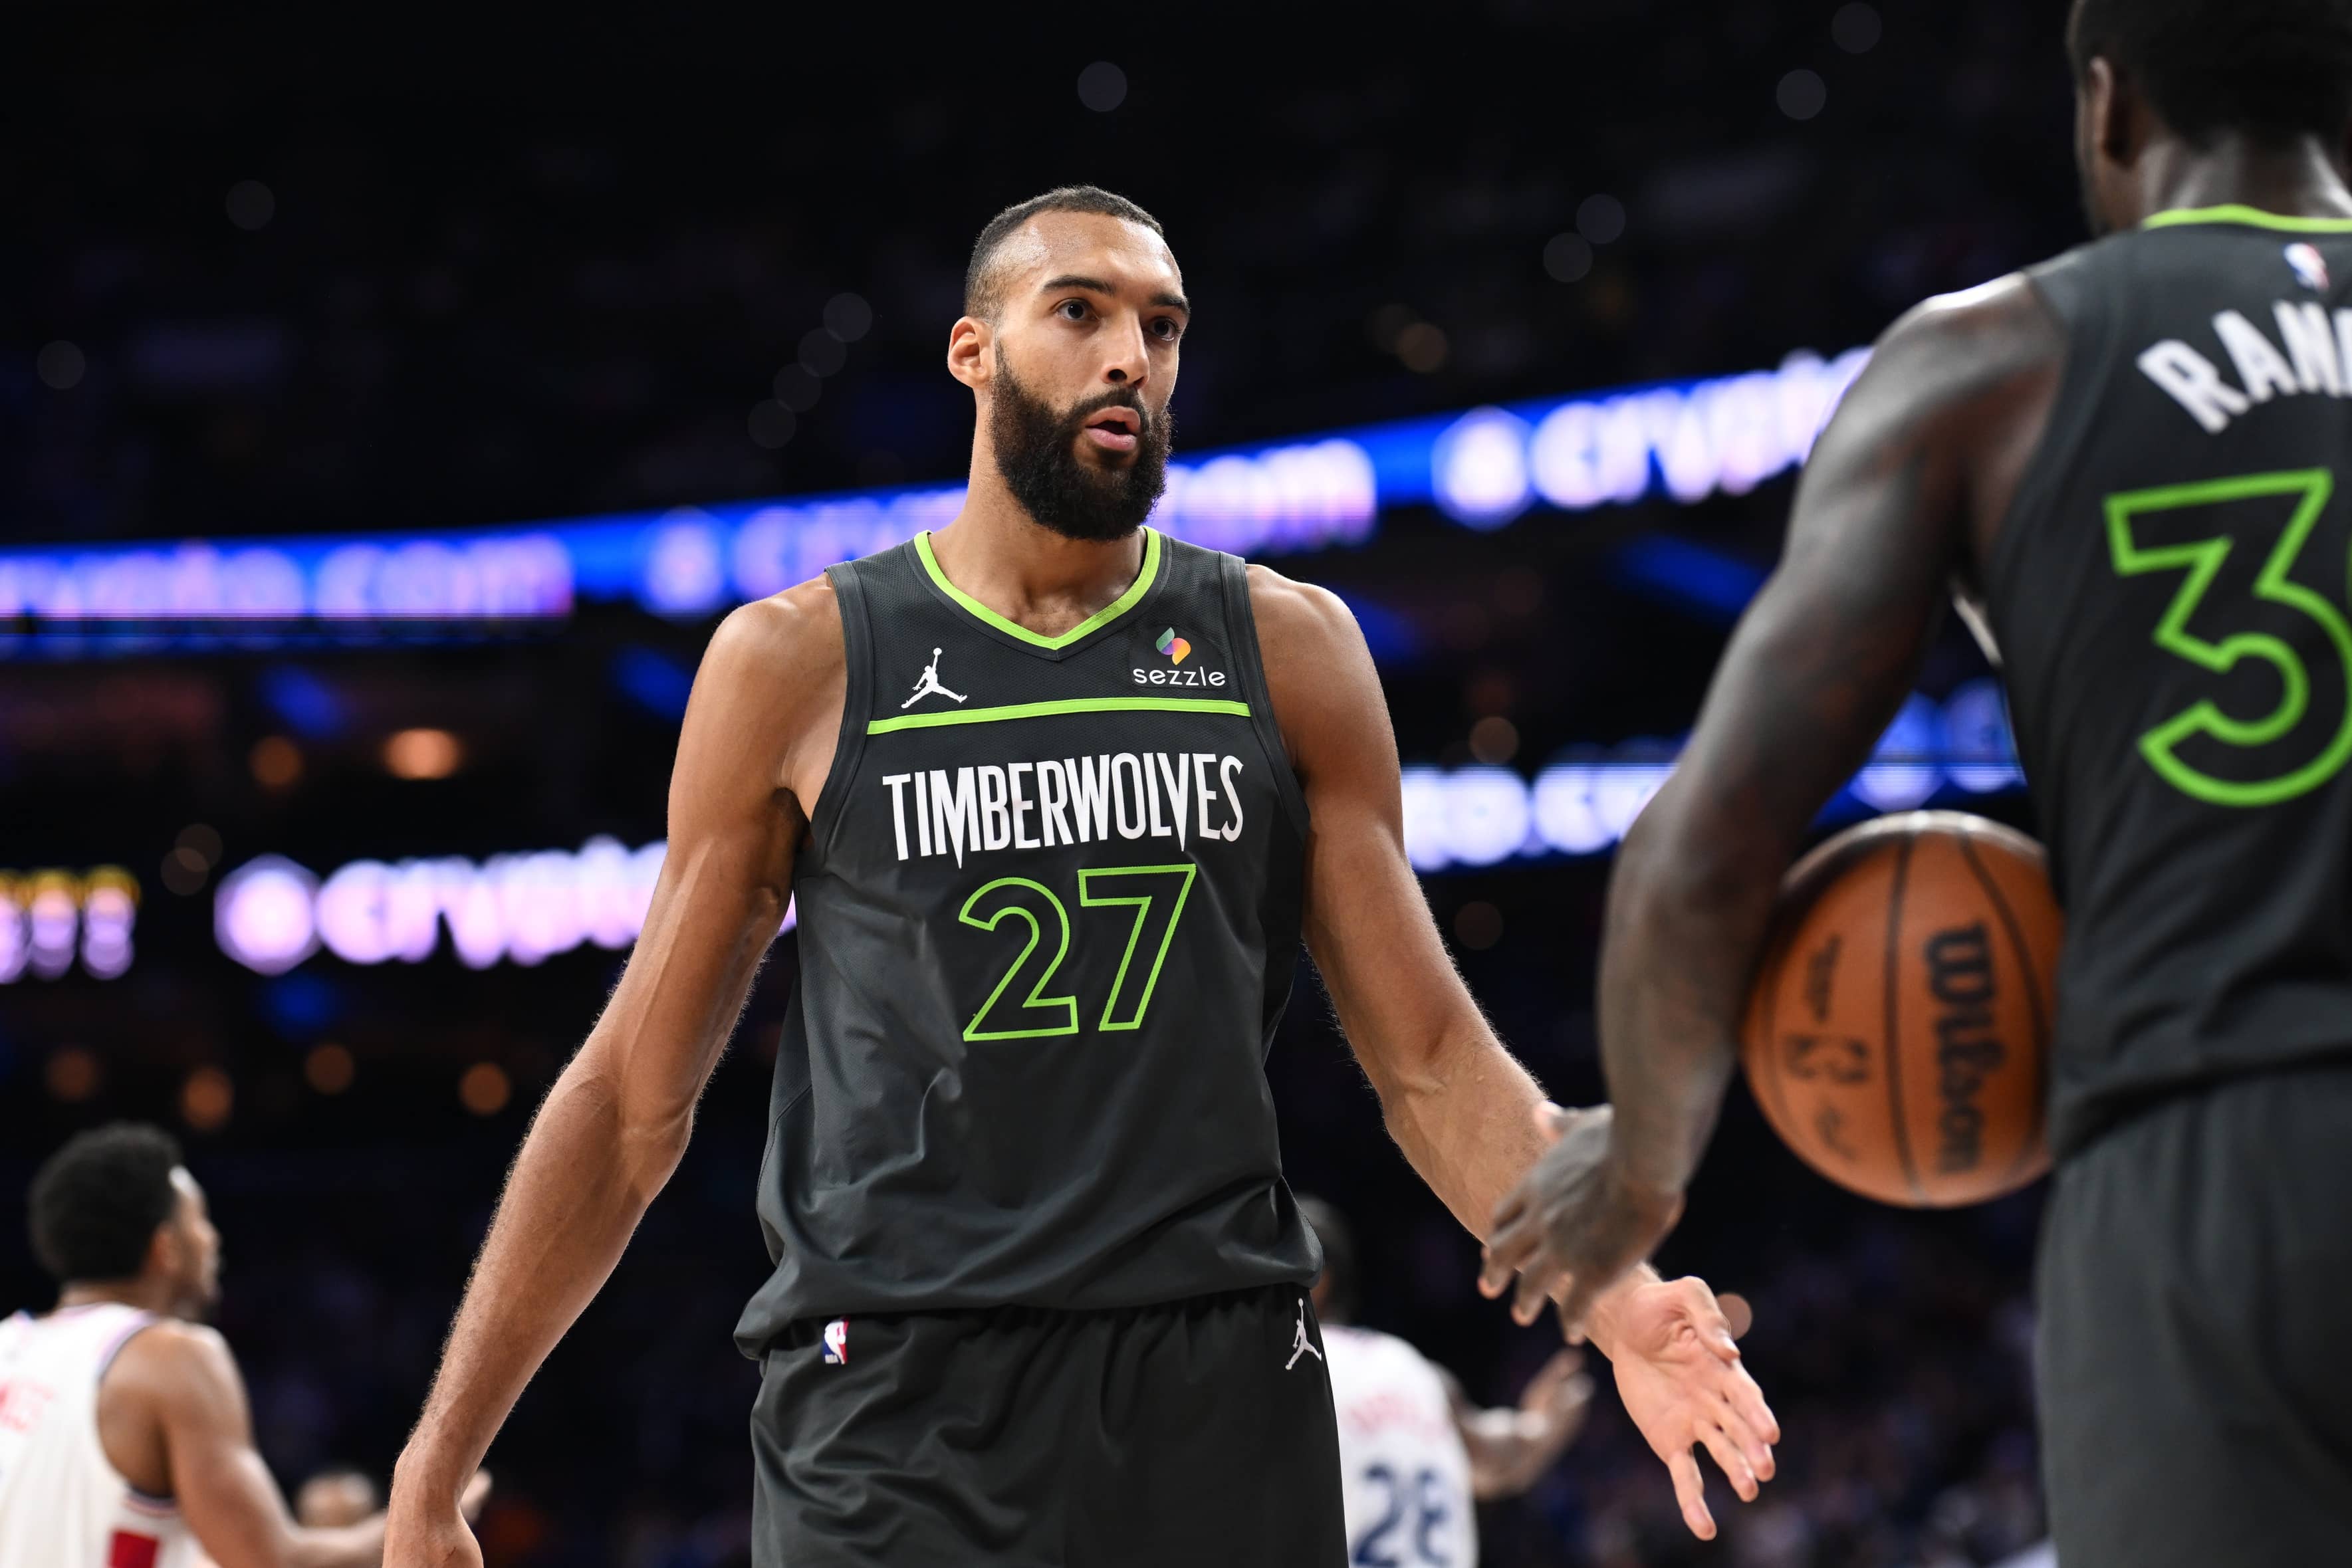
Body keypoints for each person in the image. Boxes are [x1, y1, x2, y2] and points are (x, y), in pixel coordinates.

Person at [384, 185, 1779, 1567]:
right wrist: (439, 1458)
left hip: (1213, 1393)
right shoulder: (795, 664)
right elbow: (632, 1098)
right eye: (1080, 311)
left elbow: (1424, 1059)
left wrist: (1613, 1292)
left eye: (1162, 327)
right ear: (970, 351)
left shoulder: (1286, 651)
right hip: (893, 1406)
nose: (1132, 356)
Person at [1479, 3, 2352, 1564]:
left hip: (2204, 1165)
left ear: (2107, 107)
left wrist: (1641, 1170)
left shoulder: (1989, 362)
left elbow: (1707, 846)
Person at [0, 1123, 486, 1567]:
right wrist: (424, 1521)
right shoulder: (171, 1355)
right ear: (164, 1248)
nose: (213, 1241)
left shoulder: (9, 1343)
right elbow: (272, 1562)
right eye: (201, 1220)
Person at [1301, 1196, 1601, 1567]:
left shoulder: (1283, 1370)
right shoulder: (1416, 1370)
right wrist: (1540, 1425)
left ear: (1316, 1280)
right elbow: (1497, 1461)